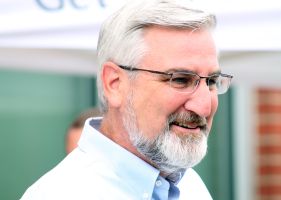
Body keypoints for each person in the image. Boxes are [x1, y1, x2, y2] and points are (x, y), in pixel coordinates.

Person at [21, 0, 233, 199]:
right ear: (115, 83)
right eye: (180, 79)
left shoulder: (190, 186)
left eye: (212, 81)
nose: (204, 106)